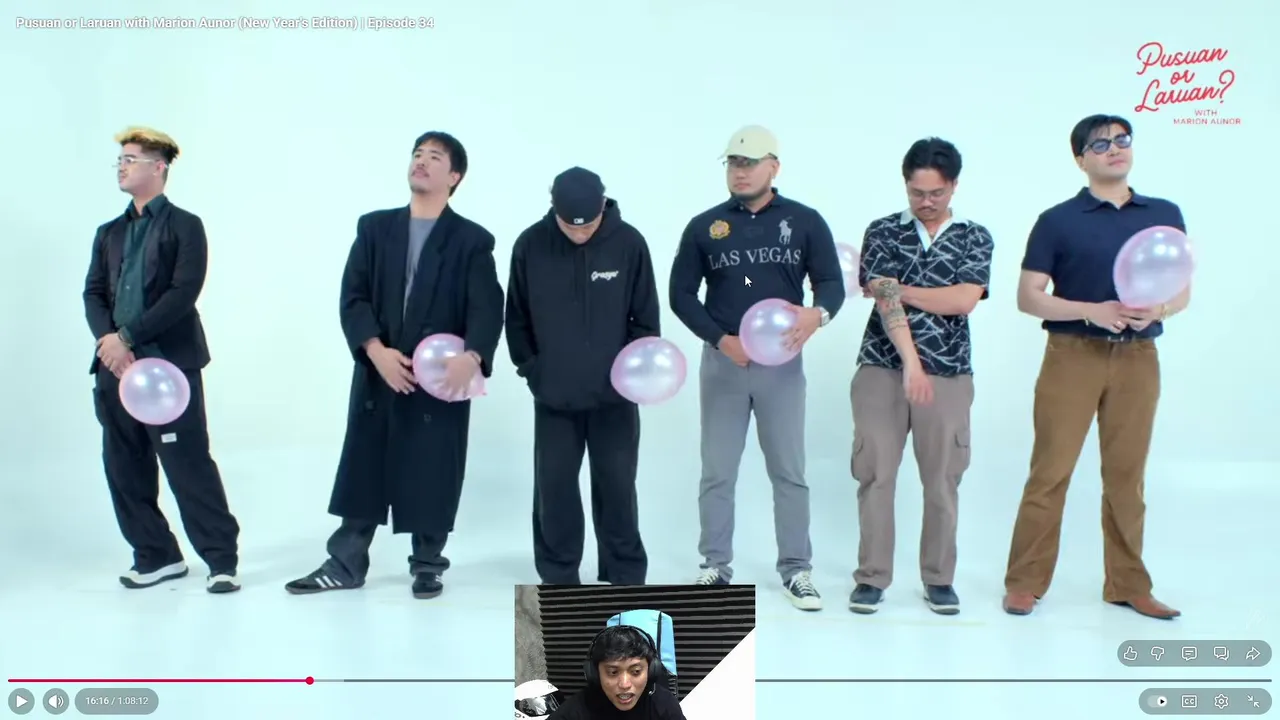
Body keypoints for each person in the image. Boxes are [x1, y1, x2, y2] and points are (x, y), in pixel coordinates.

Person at [284, 131, 504, 599]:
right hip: (380, 369)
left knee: (433, 466)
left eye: (435, 157)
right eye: (417, 154)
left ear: (454, 176)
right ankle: (345, 563)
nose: (421, 161)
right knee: (365, 463)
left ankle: (428, 564)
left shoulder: (470, 240)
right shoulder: (375, 228)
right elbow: (353, 296)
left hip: (439, 377)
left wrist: (473, 356)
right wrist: (375, 350)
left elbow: (487, 307)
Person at [1003, 114, 1189, 619]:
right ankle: (1025, 581)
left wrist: (1160, 310)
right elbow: (1028, 297)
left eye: (1122, 140)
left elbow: (1181, 288)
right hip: (1073, 355)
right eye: (1101, 144)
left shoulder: (1164, 214)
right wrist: (1092, 310)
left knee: (1128, 476)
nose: (1115, 149)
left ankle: (1128, 584)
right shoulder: (1057, 220)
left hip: (1138, 357)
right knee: (1051, 472)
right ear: (1080, 159)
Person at [669, 125, 845, 610]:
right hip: (724, 362)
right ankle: (714, 565)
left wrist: (817, 315)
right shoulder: (705, 226)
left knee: (789, 470)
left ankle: (796, 569)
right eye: (733, 163)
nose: (740, 172)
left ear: (774, 167)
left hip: (780, 365)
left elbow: (830, 282)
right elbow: (681, 294)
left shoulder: (804, 221)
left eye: (749, 163)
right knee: (717, 470)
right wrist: (719, 339)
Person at [82, 126, 242, 593]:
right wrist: (110, 343)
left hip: (168, 366)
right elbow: (93, 293)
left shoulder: (185, 226)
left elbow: (182, 293)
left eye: (131, 159)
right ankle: (156, 556)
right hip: (115, 368)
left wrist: (128, 336)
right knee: (124, 465)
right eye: (119, 160)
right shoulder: (108, 233)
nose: (122, 167)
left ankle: (220, 559)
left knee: (187, 462)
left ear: (159, 167)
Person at [848, 138, 994, 616]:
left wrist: (901, 289)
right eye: (916, 192)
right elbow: (884, 301)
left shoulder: (974, 237)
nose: (926, 202)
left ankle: (938, 578)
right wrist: (911, 362)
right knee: (875, 473)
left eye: (936, 193)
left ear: (953, 186)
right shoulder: (883, 231)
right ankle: (872, 577)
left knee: (942, 479)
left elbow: (964, 300)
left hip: (949, 371)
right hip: (882, 366)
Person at [505, 167, 661, 585]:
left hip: (615, 397)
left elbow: (645, 320)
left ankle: (624, 572)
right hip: (554, 397)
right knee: (554, 488)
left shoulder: (629, 244)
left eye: (588, 226)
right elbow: (516, 318)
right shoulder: (530, 245)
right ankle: (559, 575)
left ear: (602, 207)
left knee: (617, 487)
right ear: (553, 208)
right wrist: (534, 370)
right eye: (569, 226)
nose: (579, 233)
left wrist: (634, 376)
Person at [549, 625, 687, 719]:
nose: (624, 684)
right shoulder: (575, 711)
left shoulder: (664, 706)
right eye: (613, 672)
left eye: (636, 671)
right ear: (595, 674)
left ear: (651, 671)